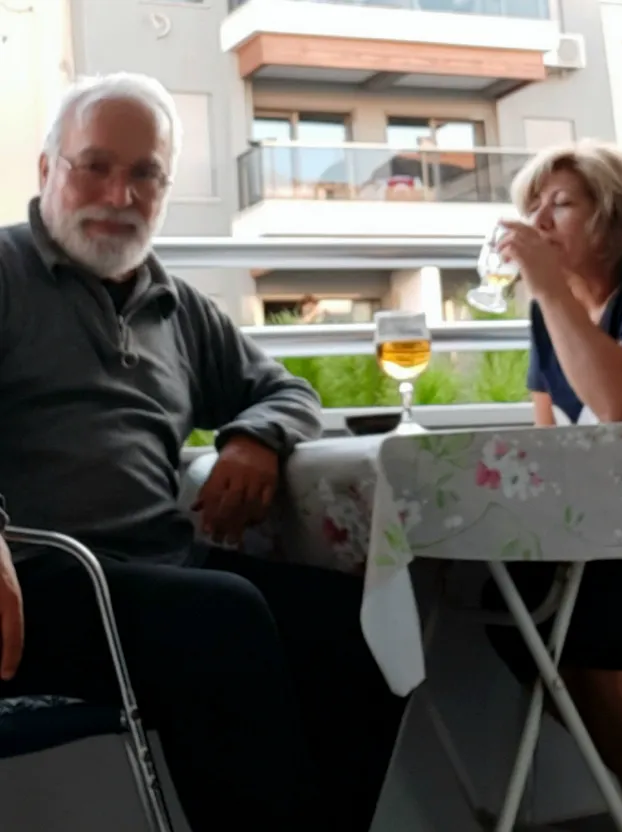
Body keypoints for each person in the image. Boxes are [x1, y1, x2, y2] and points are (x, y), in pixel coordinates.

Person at [0, 72, 405, 831]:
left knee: (364, 626)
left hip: (152, 570)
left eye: (145, 174)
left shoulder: (178, 306)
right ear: (47, 168)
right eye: (96, 165)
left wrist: (255, 437)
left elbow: (288, 391)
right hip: (37, 583)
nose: (120, 195)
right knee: (221, 617)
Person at [482, 140, 622, 832]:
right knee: (510, 601)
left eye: (561, 203)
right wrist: (551, 298)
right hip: (619, 540)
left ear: (613, 213)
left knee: (599, 603)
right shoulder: (552, 315)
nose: (538, 221)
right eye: (531, 207)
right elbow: (557, 449)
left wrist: (549, 287)